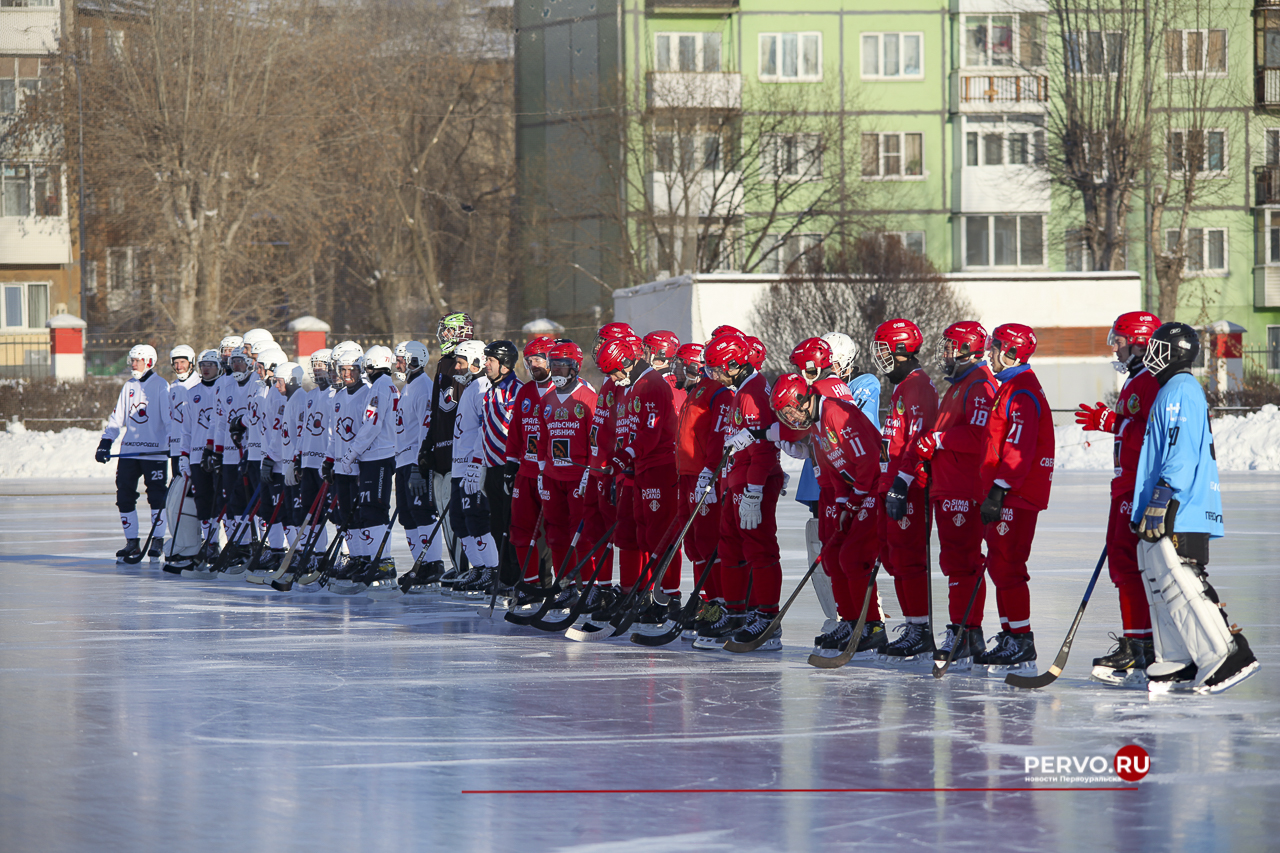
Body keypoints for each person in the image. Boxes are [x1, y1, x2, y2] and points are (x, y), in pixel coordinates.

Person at [1131, 322, 1259, 694]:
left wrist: (1163, 495)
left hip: (1179, 504)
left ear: (1175, 352)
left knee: (1182, 579)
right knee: (1160, 583)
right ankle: (1180, 657)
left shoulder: (1181, 389)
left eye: (1157, 348)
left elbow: (1181, 448)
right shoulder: (1170, 389)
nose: (1150, 355)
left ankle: (1227, 654)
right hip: (1167, 501)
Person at [1075, 312, 1162, 684]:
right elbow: (1133, 426)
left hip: (1137, 485)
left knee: (1130, 564)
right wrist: (1113, 423)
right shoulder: (1135, 380)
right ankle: (1136, 642)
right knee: (1122, 562)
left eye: (1121, 340)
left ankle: (1141, 645)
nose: (1116, 347)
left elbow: (1154, 433)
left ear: (1140, 343)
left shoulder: (1151, 381)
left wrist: (1114, 422)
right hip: (1124, 483)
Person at [769, 374, 881, 658]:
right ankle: (850, 621)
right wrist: (842, 501)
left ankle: (872, 626)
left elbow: (868, 461)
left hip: (872, 487)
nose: (790, 418)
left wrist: (853, 502)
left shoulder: (834, 413)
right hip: (852, 492)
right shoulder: (816, 423)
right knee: (834, 558)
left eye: (790, 410)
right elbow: (833, 470)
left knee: (853, 557)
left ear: (802, 399)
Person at [905, 321, 997, 668]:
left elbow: (980, 435)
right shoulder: (960, 385)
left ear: (969, 350)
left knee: (963, 561)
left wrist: (939, 440)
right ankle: (965, 632)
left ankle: (964, 632)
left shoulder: (979, 385)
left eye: (950, 347)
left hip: (964, 487)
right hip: (948, 485)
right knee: (955, 562)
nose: (944, 353)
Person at [696, 332, 785, 651]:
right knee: (730, 545)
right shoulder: (742, 390)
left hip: (751, 481)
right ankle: (736, 613)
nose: (714, 376)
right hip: (737, 479)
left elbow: (763, 449)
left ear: (734, 364)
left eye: (717, 369)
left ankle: (767, 618)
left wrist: (755, 491)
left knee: (759, 547)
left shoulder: (752, 393)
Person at [976, 323, 1055, 671]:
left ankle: (1021, 640)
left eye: (995, 348)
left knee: (1008, 565)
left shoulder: (1021, 390)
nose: (989, 354)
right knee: (999, 565)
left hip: (1016, 493)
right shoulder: (1009, 386)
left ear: (1011, 352)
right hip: (1008, 491)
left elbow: (1018, 444)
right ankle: (1011, 635)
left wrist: (1000, 488)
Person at [598, 334, 682, 631]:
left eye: (613, 372)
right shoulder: (633, 385)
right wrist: (624, 458)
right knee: (643, 533)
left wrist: (626, 455)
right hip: (641, 467)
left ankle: (668, 599)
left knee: (660, 535)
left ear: (625, 363)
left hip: (659, 467)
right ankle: (648, 595)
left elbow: (651, 432)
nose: (612, 379)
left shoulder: (652, 384)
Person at [871, 319, 939, 661]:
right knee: (895, 557)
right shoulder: (902, 388)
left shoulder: (918, 387)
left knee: (909, 559)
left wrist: (903, 481)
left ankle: (920, 629)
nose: (880, 358)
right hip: (893, 482)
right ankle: (913, 625)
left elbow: (919, 442)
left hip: (911, 486)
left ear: (901, 350)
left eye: (885, 350)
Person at [674, 341, 732, 637]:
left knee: (709, 541)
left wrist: (710, 472)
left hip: (703, 476)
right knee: (694, 543)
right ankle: (707, 599)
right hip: (687, 474)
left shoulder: (718, 392)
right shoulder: (695, 391)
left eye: (682, 365)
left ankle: (721, 603)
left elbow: (717, 437)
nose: (677, 371)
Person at [95, 344, 172, 561]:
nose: (133, 364)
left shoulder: (161, 385)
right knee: (124, 495)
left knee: (156, 496)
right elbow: (117, 418)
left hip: (154, 453)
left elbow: (169, 420)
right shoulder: (128, 385)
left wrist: (172, 444)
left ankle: (157, 539)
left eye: (137, 360)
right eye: (132, 360)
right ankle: (132, 542)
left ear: (149, 362)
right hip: (129, 452)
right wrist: (105, 442)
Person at [534, 341, 598, 599]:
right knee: (555, 534)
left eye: (563, 366)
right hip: (552, 476)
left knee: (581, 534)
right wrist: (541, 470)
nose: (557, 371)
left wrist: (589, 472)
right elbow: (542, 438)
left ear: (575, 367)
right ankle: (565, 587)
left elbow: (595, 440)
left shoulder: (588, 397)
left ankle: (589, 586)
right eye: (554, 365)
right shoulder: (547, 399)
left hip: (578, 477)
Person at [339, 345, 400, 589]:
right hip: (375, 456)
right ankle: (372, 559)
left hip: (379, 456)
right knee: (368, 509)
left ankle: (382, 561)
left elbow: (372, 424)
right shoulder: (386, 385)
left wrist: (352, 452)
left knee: (374, 509)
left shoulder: (380, 386)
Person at [420, 313, 474, 580]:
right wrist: (428, 444)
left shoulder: (469, 364)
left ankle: (472, 567)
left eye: (449, 331)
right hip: (441, 449)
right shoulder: (443, 364)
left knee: (460, 513)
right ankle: (458, 566)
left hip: (459, 451)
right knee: (444, 510)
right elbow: (436, 410)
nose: (443, 336)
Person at [449, 340, 501, 593]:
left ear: (476, 363)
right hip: (459, 467)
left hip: (473, 467)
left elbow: (486, 427)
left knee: (477, 520)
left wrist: (476, 462)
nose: (456, 368)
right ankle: (479, 568)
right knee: (460, 522)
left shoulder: (482, 387)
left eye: (460, 363)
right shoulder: (470, 388)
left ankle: (492, 570)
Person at [502, 336, 554, 588]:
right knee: (521, 528)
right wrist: (510, 465)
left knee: (556, 532)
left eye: (538, 360)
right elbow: (515, 433)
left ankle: (563, 585)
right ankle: (530, 583)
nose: (533, 365)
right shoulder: (525, 391)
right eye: (529, 361)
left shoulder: (565, 390)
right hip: (527, 472)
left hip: (554, 474)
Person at [393, 341, 443, 592]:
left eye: (401, 360)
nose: (398, 365)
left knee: (422, 512)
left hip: (415, 461)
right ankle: (419, 566)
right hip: (402, 460)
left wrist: (418, 465)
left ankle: (432, 565)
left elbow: (426, 427)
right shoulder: (408, 387)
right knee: (407, 516)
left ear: (415, 360)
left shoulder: (423, 386)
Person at [214, 344, 264, 566]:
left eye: (240, 362)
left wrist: (241, 426)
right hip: (231, 455)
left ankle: (263, 546)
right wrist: (216, 452)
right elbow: (220, 423)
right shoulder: (226, 387)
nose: (236, 366)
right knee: (234, 502)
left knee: (255, 500)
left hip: (252, 452)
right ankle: (241, 546)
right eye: (233, 362)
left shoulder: (257, 384)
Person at [479, 340, 522, 594]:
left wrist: (514, 466)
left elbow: (516, 431)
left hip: (510, 467)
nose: (486, 364)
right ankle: (504, 575)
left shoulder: (517, 391)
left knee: (512, 525)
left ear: (505, 365)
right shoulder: (489, 391)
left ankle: (518, 577)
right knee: (496, 526)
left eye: (491, 360)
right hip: (492, 466)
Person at [324, 342, 367, 579]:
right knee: (344, 515)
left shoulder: (367, 393)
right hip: (341, 467)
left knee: (360, 516)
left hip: (358, 466)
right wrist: (329, 460)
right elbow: (334, 434)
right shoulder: (338, 396)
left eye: (352, 369)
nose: (347, 374)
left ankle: (364, 558)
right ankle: (354, 558)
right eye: (343, 369)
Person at [182, 349, 224, 561]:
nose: (206, 369)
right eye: (203, 365)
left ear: (219, 367)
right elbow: (186, 429)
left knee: (221, 499)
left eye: (211, 365)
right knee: (203, 500)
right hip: (198, 456)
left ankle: (228, 543)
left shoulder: (224, 388)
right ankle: (210, 543)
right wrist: (184, 455)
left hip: (218, 455)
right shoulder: (192, 393)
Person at [167, 345, 198, 478]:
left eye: (183, 362)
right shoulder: (173, 386)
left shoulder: (198, 383)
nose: (179, 366)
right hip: (176, 447)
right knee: (178, 484)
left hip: (193, 447)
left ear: (191, 362)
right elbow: (171, 417)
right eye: (176, 363)